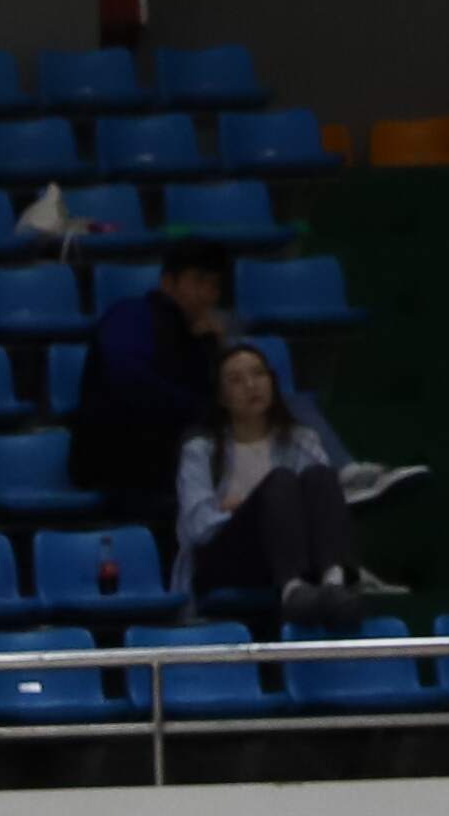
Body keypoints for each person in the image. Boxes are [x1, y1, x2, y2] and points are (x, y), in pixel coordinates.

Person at [173, 345, 370, 629]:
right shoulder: (200, 451)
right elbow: (198, 527)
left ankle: (333, 582)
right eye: (236, 380)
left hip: (297, 553)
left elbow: (323, 508)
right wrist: (253, 508)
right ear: (221, 396)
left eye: (258, 374)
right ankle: (292, 590)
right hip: (228, 560)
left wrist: (242, 503)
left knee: (320, 476)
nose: (251, 385)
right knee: (280, 482)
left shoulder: (302, 440)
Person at [68, 237, 238, 526]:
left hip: (173, 464)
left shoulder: (201, 339)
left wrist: (214, 350)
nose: (207, 295)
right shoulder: (131, 316)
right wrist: (200, 409)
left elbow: (215, 399)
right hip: (120, 463)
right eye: (199, 281)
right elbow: (128, 384)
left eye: (214, 286)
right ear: (168, 282)